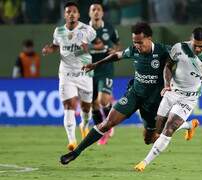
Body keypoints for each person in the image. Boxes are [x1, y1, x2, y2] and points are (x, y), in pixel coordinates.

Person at [59, 22, 176, 165]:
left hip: (153, 102)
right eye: (135, 42)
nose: (137, 46)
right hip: (134, 95)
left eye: (140, 42)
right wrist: (96, 64)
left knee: (149, 139)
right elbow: (116, 56)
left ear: (149, 38)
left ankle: (181, 126)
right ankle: (75, 152)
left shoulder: (165, 51)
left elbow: (186, 60)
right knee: (107, 123)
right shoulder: (133, 50)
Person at [134, 27, 202, 172]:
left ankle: (144, 163)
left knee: (170, 128)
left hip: (190, 97)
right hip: (173, 91)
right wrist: (166, 84)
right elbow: (167, 66)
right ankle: (189, 125)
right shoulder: (179, 48)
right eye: (195, 44)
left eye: (200, 46)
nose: (197, 48)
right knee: (157, 130)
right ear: (191, 40)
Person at [42, 1, 96, 151]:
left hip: (84, 73)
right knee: (69, 105)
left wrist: (85, 49)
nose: (71, 14)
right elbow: (56, 45)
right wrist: (49, 49)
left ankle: (84, 125)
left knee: (86, 108)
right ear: (65, 15)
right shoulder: (58, 31)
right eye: (68, 12)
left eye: (74, 11)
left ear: (78, 14)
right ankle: (72, 140)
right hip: (66, 74)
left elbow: (96, 45)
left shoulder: (87, 30)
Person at [88, 3, 121, 145]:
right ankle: (102, 132)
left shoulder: (110, 28)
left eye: (98, 10)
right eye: (93, 10)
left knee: (103, 101)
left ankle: (109, 125)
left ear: (102, 13)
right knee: (92, 104)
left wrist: (115, 51)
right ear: (89, 13)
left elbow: (118, 45)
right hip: (89, 71)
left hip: (105, 69)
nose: (96, 12)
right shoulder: (84, 30)